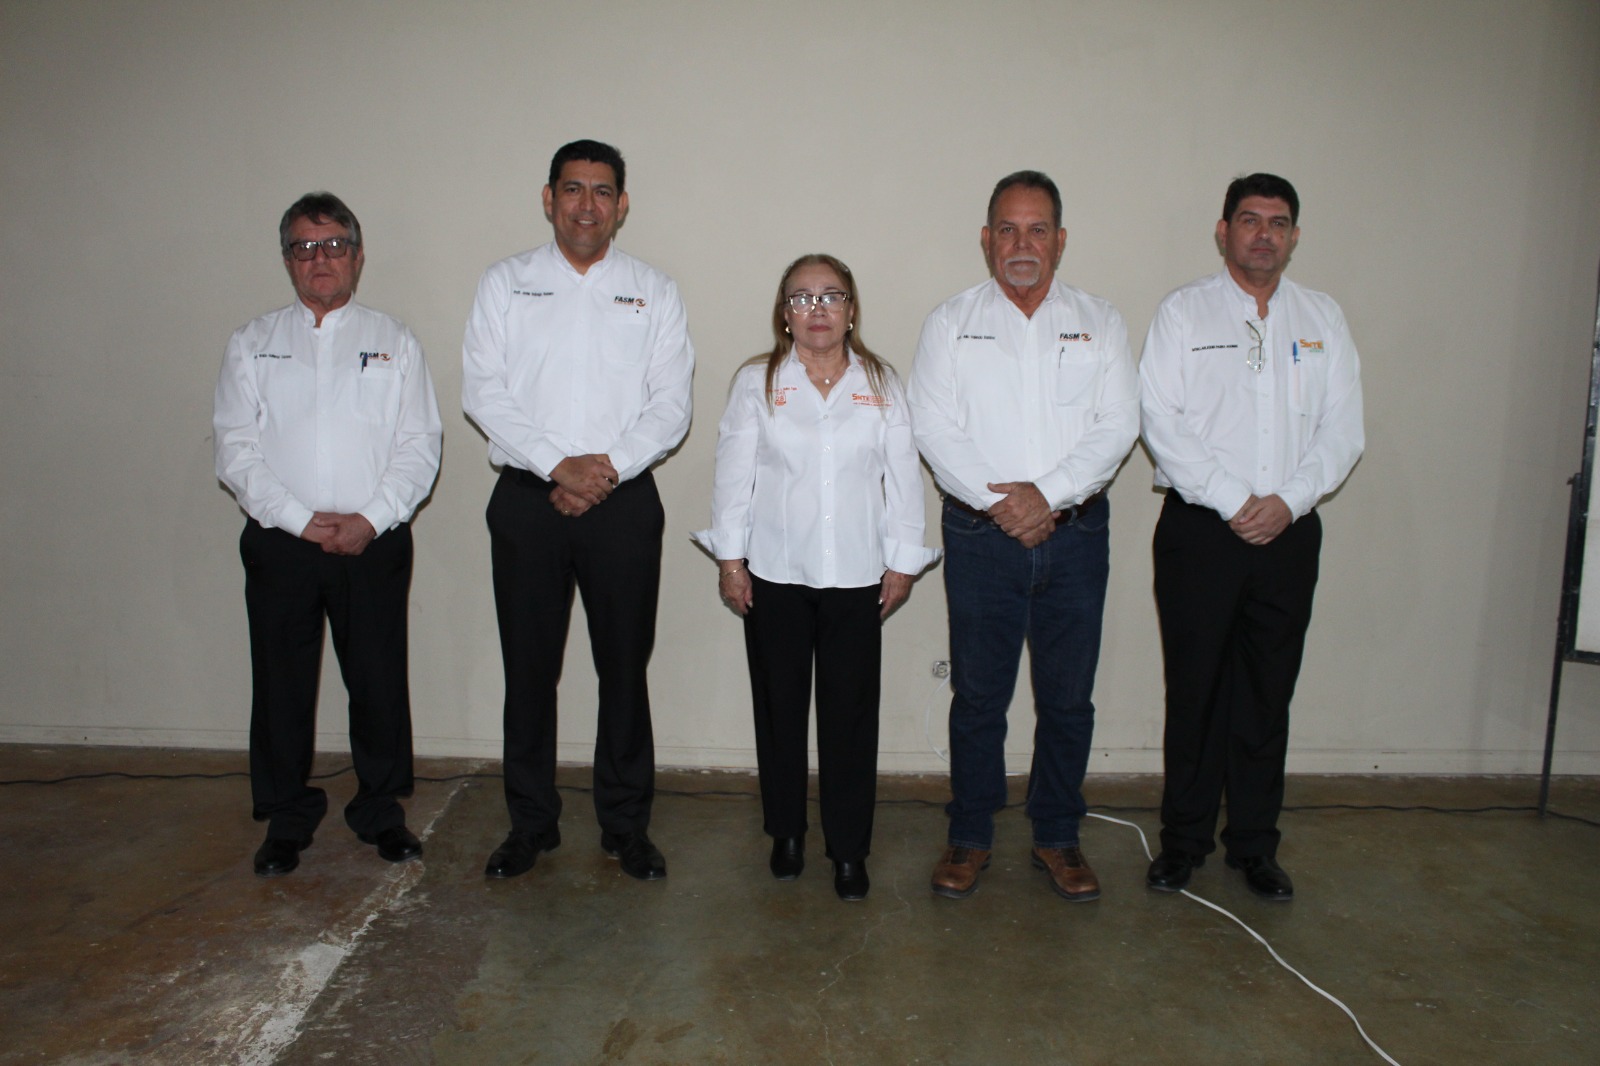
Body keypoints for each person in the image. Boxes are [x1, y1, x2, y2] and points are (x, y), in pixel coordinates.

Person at [463, 139, 694, 882]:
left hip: (622, 504)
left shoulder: (654, 290)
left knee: (623, 669)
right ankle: (531, 824)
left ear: (622, 206)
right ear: (548, 198)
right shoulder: (505, 284)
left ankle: (625, 826)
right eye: (572, 189)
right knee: (529, 671)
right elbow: (483, 392)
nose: (586, 205)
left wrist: (603, 471)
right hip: (527, 501)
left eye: (601, 192)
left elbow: (671, 405)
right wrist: (555, 465)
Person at [908, 171, 1139, 901]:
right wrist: (1003, 504)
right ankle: (971, 833)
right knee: (979, 697)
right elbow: (933, 426)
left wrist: (1049, 496)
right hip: (981, 538)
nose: (1022, 244)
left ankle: (1058, 834)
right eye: (1007, 229)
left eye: (1037, 230)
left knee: (1068, 699)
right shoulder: (951, 323)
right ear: (986, 240)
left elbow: (1118, 425)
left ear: (1060, 240)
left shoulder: (1101, 321)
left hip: (1076, 536)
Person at [1139, 173, 1364, 901]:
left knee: (1268, 694)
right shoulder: (1183, 312)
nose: (1263, 234)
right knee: (1195, 692)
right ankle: (1183, 843)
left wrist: (1287, 503)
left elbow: (1343, 432)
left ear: (1294, 237)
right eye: (1249, 219)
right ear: (1223, 231)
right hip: (1201, 533)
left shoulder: (1322, 317)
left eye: (1278, 222)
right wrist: (1237, 501)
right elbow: (1161, 421)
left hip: (1289, 535)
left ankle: (1255, 846)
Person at [694, 254, 940, 902]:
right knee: (779, 712)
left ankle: (849, 849)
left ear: (852, 309)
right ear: (785, 314)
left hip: (857, 577)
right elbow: (733, 475)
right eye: (802, 298)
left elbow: (903, 478)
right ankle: (786, 833)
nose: (818, 309)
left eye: (831, 295)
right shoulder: (757, 382)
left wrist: (902, 562)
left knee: (850, 719)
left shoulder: (880, 381)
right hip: (775, 575)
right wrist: (731, 562)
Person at [214, 192, 443, 877]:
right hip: (282, 542)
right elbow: (235, 450)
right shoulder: (252, 343)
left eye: (335, 244)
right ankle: (286, 817)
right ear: (287, 260)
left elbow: (419, 445)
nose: (321, 259)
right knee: (281, 683)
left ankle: (380, 810)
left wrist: (370, 518)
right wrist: (298, 520)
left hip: (373, 540)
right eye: (305, 247)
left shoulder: (395, 341)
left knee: (378, 679)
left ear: (358, 256)